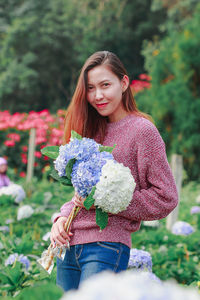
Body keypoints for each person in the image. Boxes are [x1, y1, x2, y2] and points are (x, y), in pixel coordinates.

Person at [50, 51, 178, 291]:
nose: (97, 95)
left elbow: (166, 197)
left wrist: (109, 200)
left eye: (105, 85)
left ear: (124, 83)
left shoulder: (142, 131)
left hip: (106, 247)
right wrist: (61, 218)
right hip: (68, 246)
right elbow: (81, 195)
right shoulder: (91, 131)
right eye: (90, 88)